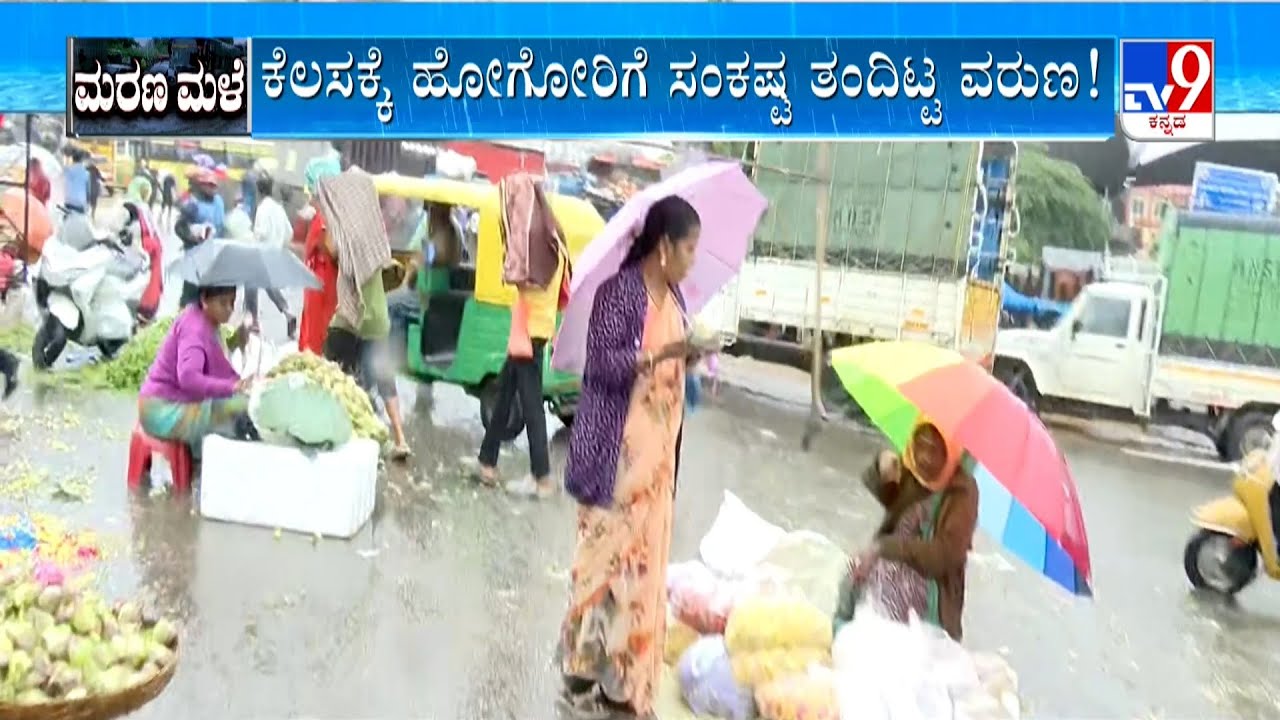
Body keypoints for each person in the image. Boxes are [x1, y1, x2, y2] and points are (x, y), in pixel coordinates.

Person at [557, 196, 703, 718]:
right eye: (689, 248)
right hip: (615, 459)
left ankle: (624, 682)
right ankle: (583, 671)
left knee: (641, 574)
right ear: (664, 246)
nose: (692, 260)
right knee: (602, 566)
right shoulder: (619, 293)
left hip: (656, 462)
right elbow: (600, 365)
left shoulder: (676, 299)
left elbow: (675, 363)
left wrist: (692, 355)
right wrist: (658, 355)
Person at [849, 420, 979, 642]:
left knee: (886, 608)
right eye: (921, 445)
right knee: (851, 577)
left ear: (951, 451)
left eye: (934, 451)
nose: (925, 457)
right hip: (890, 567)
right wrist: (881, 469)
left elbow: (945, 555)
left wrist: (884, 548)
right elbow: (893, 503)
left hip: (931, 594)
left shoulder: (962, 492)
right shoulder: (912, 470)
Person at [315, 171, 411, 461]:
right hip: (378, 317)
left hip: (350, 318)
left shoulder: (345, 233)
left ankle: (335, 433)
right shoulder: (374, 230)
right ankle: (400, 438)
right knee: (384, 380)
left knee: (330, 375)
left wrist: (328, 222)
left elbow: (331, 251)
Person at [138, 286, 253, 456]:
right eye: (223, 303)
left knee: (241, 402)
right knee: (238, 407)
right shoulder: (194, 329)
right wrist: (232, 387)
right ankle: (204, 463)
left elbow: (212, 356)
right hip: (163, 411)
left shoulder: (206, 319)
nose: (229, 309)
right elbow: (189, 378)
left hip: (174, 401)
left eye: (232, 302)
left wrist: (237, 340)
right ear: (204, 299)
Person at [248, 173, 297, 339]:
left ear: (258, 191)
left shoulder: (262, 208)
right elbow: (289, 233)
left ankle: (254, 320)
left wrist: (252, 238)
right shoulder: (279, 209)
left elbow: (261, 233)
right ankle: (288, 312)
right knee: (269, 286)